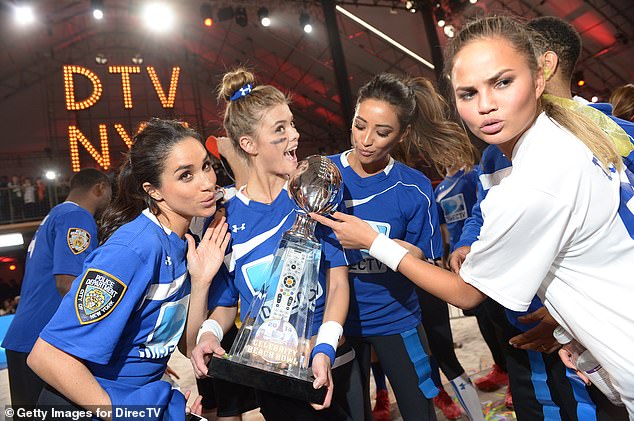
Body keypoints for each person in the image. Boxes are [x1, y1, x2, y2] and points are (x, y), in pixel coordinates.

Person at [311, 16, 634, 417]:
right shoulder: (570, 136)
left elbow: (467, 293)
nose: (484, 106)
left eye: (502, 82)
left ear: (539, 76)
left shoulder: (534, 183)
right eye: (468, 93)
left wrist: (373, 241)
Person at [191, 68, 363, 421]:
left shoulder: (315, 192)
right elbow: (227, 303)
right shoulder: (224, 216)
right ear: (249, 145)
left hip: (329, 358)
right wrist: (209, 334)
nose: (295, 136)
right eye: (280, 129)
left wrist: (325, 348)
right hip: (272, 374)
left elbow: (338, 283)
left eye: (292, 124)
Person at [27, 118, 228, 418]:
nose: (207, 182)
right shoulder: (133, 249)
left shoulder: (185, 244)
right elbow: (46, 356)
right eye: (186, 175)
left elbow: (186, 347)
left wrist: (200, 282)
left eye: (206, 166)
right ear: (154, 191)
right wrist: (125, 412)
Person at [328, 72, 484, 421]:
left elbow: (422, 259)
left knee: (419, 411)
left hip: (396, 319)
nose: (366, 140)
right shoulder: (325, 175)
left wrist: (374, 242)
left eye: (382, 132)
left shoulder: (413, 187)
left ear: (402, 134)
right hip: (338, 326)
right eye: (359, 125)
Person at [2, 168, 111, 409]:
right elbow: (67, 283)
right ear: (100, 187)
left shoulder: (53, 215)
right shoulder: (78, 217)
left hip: (28, 337)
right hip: (46, 342)